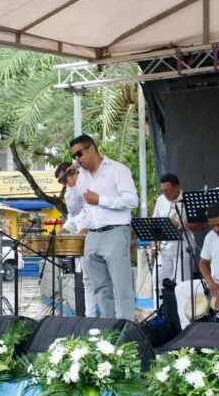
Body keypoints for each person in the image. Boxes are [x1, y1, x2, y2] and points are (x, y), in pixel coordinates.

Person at [65, 134, 138, 320]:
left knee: (121, 286)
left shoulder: (117, 170)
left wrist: (100, 200)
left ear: (91, 148)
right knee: (100, 287)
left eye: (79, 153)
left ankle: (125, 330)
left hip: (115, 231)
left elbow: (132, 200)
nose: (77, 159)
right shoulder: (81, 177)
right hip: (92, 235)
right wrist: (72, 186)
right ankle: (108, 331)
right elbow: (73, 211)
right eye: (74, 156)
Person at [55, 162, 97, 317]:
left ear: (71, 173)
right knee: (87, 281)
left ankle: (109, 317)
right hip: (83, 240)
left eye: (63, 179)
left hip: (97, 235)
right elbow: (74, 215)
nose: (64, 184)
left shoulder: (87, 182)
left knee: (103, 280)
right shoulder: (70, 191)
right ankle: (90, 316)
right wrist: (62, 232)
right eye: (61, 181)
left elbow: (90, 209)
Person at [151, 173, 199, 284]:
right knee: (158, 281)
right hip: (163, 247)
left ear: (177, 187)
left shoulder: (189, 200)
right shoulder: (161, 200)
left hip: (183, 247)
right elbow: (155, 223)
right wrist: (153, 244)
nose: (165, 194)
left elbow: (199, 226)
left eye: (167, 191)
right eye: (162, 191)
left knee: (181, 283)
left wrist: (179, 224)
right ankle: (160, 302)